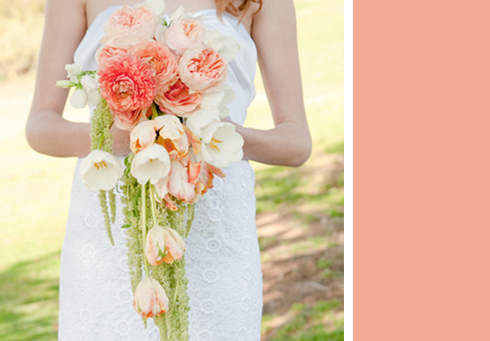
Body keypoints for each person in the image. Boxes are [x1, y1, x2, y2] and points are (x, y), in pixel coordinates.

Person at [24, 0, 311, 339]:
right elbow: (40, 127)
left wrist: (207, 132)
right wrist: (128, 135)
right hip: (111, 235)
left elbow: (296, 143)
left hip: (216, 229)